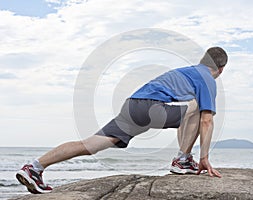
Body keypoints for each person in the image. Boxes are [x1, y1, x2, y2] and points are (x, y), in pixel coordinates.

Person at [16, 47, 228, 194]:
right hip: (151, 107)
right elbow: (206, 121)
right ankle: (183, 159)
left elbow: (184, 116)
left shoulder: (187, 72)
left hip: (133, 105)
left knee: (89, 145)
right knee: (201, 109)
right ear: (220, 69)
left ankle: (34, 168)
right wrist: (205, 157)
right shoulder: (207, 79)